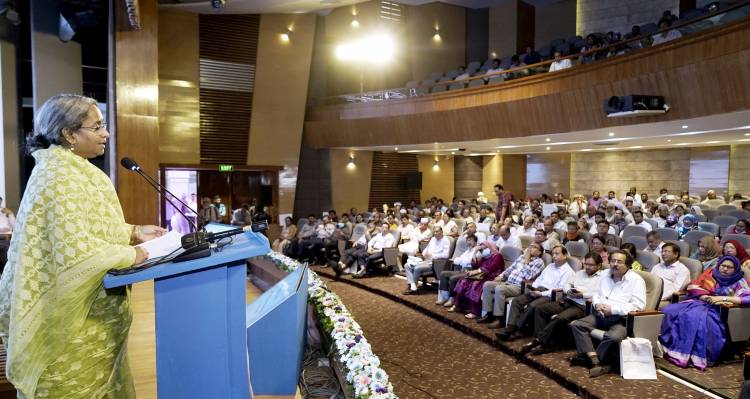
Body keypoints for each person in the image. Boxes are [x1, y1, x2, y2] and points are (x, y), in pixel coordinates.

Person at [0, 94, 167, 398]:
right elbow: (74, 250)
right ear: (69, 133)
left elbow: (88, 227)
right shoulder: (56, 176)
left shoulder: (78, 169)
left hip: (98, 325)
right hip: (68, 330)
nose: (106, 134)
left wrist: (133, 232)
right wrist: (133, 253)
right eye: (97, 126)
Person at [659, 255, 750, 370]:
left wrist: (723, 299)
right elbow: (693, 286)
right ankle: (668, 346)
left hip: (721, 310)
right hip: (701, 302)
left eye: (729, 267)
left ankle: (693, 355)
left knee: (693, 318)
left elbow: (747, 299)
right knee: (669, 311)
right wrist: (704, 297)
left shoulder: (739, 281)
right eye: (723, 266)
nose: (725, 269)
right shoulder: (711, 273)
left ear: (736, 269)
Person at [570, 250, 646, 377]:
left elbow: (639, 305)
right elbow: (597, 294)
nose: (615, 264)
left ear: (627, 265)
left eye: (619, 262)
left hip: (620, 318)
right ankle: (595, 361)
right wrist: (597, 304)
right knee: (576, 325)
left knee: (613, 337)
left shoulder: (636, 280)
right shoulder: (605, 274)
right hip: (600, 314)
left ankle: (593, 359)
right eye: (612, 261)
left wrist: (613, 309)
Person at [521, 252, 604, 356]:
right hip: (568, 300)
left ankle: (540, 342)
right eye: (586, 264)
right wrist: (568, 290)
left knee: (559, 318)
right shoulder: (580, 273)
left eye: (591, 265)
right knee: (540, 309)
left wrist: (582, 295)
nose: (587, 267)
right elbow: (567, 284)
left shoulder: (603, 277)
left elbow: (600, 293)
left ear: (599, 265)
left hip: (582, 305)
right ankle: (542, 341)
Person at [496, 245, 574, 341]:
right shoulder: (550, 266)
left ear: (565, 255)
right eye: (553, 254)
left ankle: (516, 330)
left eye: (557, 254)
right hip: (538, 290)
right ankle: (510, 328)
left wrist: (541, 294)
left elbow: (559, 290)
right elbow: (539, 279)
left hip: (550, 295)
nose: (554, 256)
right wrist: (534, 288)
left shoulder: (568, 271)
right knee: (517, 301)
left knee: (532, 306)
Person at [478, 243, 546, 329]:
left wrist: (527, 261)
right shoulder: (521, 257)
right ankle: (489, 314)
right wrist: (501, 276)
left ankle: (499, 319)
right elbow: (510, 270)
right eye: (530, 246)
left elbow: (528, 276)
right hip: (507, 282)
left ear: (539, 252)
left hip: (519, 287)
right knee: (487, 284)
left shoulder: (539, 262)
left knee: (500, 289)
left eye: (534, 247)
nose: (530, 248)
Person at [449, 243, 505, 318]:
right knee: (463, 281)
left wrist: (476, 271)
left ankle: (475, 311)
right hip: (482, 276)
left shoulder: (497, 255)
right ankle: (458, 305)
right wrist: (475, 253)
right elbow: (475, 265)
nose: (482, 251)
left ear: (489, 247)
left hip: (492, 277)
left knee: (475, 285)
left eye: (484, 248)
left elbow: (490, 268)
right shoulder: (484, 256)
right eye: (481, 249)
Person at [404, 227, 450, 294]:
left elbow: (446, 255)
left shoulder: (445, 240)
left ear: (441, 232)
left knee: (417, 268)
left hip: (435, 263)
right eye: (434, 232)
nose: (435, 233)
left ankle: (413, 288)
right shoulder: (433, 239)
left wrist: (432, 255)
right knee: (407, 265)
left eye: (437, 232)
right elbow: (427, 249)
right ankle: (412, 285)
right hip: (426, 260)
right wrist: (424, 253)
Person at [437, 234, 480, 306]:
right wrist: (462, 261)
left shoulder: (477, 251)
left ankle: (452, 299)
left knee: (453, 278)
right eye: (467, 241)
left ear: (475, 242)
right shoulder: (468, 250)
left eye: (471, 240)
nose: (469, 242)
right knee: (443, 273)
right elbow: (457, 260)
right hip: (462, 270)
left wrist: (462, 261)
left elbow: (470, 262)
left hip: (470, 271)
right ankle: (444, 297)